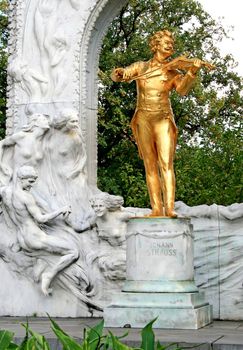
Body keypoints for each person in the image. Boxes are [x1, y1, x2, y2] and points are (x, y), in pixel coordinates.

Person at [111, 30, 203, 217]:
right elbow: (121, 75)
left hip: (163, 119)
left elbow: (183, 91)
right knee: (150, 165)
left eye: (172, 43)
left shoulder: (173, 72)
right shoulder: (141, 67)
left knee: (166, 164)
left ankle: (169, 208)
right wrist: (119, 73)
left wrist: (192, 71)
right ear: (156, 45)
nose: (171, 46)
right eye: (166, 42)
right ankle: (155, 208)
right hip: (143, 118)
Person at [0, 165, 79, 296]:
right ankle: (49, 275)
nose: (31, 185)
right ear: (20, 179)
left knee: (46, 255)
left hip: (21, 239)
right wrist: (60, 210)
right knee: (73, 251)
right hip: (34, 237)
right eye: (30, 181)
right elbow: (41, 219)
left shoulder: (5, 192)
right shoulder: (26, 197)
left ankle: (41, 266)